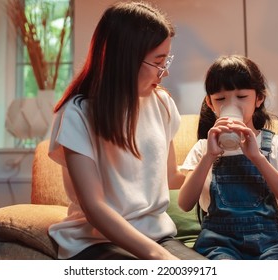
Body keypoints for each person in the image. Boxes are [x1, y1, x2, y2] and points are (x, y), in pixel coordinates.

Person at [47, 1, 205, 260]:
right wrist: (160, 257)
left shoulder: (162, 103)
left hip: (156, 236)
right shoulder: (77, 113)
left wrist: (213, 159)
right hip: (95, 241)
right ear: (126, 59)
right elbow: (94, 207)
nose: (164, 72)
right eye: (158, 61)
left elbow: (171, 177)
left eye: (167, 59)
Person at [178, 55, 278, 260]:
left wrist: (257, 158)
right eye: (220, 99)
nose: (232, 104)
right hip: (218, 242)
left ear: (259, 98)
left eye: (241, 96)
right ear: (210, 103)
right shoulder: (203, 148)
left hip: (269, 242)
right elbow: (184, 203)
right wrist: (209, 157)